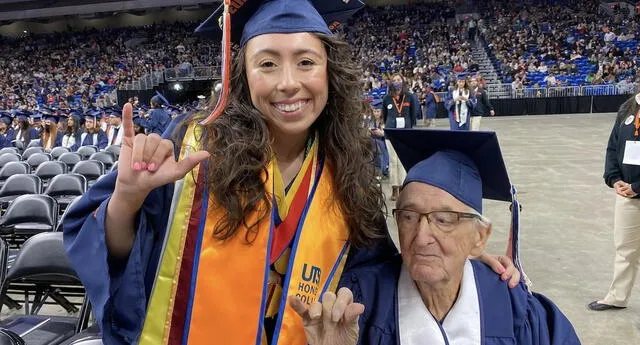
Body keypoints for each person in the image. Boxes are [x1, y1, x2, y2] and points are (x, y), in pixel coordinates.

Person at [63, 1, 519, 345]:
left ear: (329, 73)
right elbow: (117, 255)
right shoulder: (190, 145)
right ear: (242, 74)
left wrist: (452, 253)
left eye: (306, 61)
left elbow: (374, 270)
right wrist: (127, 198)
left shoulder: (347, 168)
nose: (287, 82)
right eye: (267, 63)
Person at [365, 128, 581, 345]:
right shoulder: (365, 304)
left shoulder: (515, 308)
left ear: (479, 238)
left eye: (443, 219)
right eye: (409, 217)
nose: (421, 238)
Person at [589, 92, 640, 311]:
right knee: (625, 247)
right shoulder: (628, 107)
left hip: (634, 189)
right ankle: (617, 297)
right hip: (626, 194)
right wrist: (614, 178)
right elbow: (613, 146)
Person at [382, 73, 419, 201]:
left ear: (403, 81)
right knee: (393, 161)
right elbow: (384, 115)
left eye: (398, 79)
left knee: (402, 161)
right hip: (391, 132)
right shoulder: (387, 98)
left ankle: (403, 188)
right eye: (394, 80)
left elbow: (413, 114)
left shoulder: (409, 97)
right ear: (391, 83)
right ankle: (394, 188)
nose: (396, 82)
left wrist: (410, 128)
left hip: (405, 132)